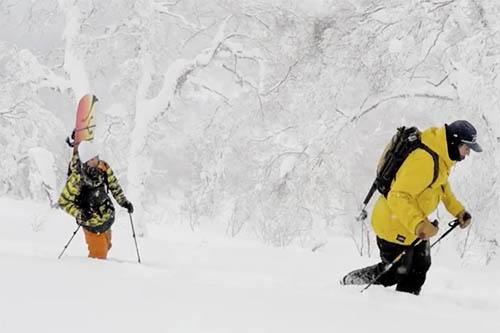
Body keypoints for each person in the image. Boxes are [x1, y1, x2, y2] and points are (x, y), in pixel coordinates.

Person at [341, 120, 482, 295]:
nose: (468, 153)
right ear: (454, 142)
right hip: (393, 224)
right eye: (466, 148)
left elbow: (442, 187)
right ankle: (348, 284)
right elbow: (397, 196)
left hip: (414, 223)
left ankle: (406, 310)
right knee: (393, 272)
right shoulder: (424, 161)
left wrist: (458, 211)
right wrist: (419, 225)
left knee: (420, 266)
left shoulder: (441, 157)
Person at [58, 141, 134, 259]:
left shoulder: (103, 167)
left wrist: (123, 201)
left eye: (96, 157)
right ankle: (94, 275)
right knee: (99, 256)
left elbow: (114, 185)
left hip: (106, 217)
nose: (95, 162)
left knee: (107, 245)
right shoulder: (77, 178)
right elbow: (63, 202)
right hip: (91, 223)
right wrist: (80, 214)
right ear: (84, 162)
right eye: (91, 160)